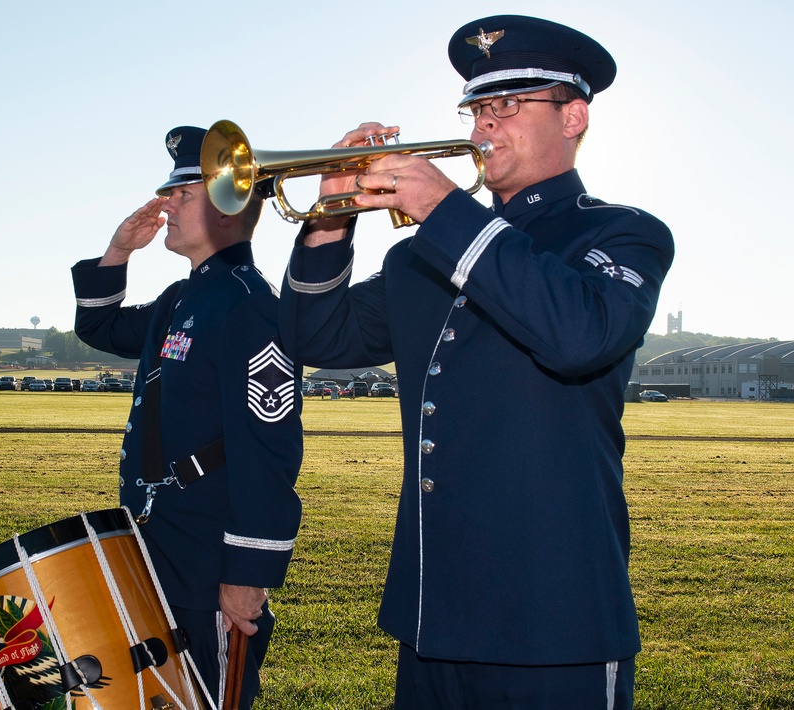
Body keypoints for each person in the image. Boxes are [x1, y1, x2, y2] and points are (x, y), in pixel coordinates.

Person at [278, 15, 674, 709]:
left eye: (510, 106)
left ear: (573, 115)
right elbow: (320, 339)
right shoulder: (420, 254)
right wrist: (331, 214)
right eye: (478, 109)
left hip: (557, 620)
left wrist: (444, 210)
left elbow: (580, 334)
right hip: (432, 614)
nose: (486, 126)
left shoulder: (620, 232)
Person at [72, 126, 303, 709]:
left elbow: (268, 452)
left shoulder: (250, 308)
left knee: (205, 697)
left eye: (184, 193)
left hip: (209, 558)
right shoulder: (183, 298)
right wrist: (119, 250)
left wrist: (248, 573)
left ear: (230, 204)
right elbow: (99, 327)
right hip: (158, 543)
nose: (165, 204)